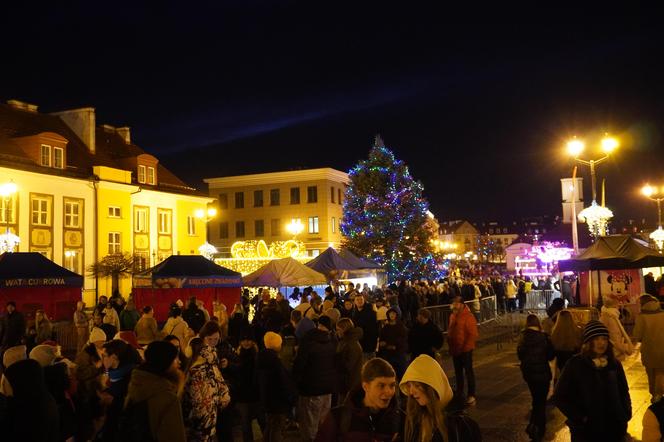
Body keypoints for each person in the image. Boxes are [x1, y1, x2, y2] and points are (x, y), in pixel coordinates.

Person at [553, 320, 632, 441]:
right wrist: (580, 417)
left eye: (604, 339)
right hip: (586, 431)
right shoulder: (575, 364)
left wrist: (625, 413)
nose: (601, 343)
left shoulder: (614, 364)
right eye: (597, 339)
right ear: (588, 342)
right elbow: (560, 396)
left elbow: (623, 391)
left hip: (614, 428)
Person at [315, 357, 403, 441]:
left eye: (392, 385)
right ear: (366, 386)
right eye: (381, 386)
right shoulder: (339, 417)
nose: (389, 392)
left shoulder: (401, 420)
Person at [400, 354, 481, 442]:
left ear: (433, 386)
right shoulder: (414, 419)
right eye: (409, 386)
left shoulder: (463, 426)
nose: (411, 392)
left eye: (417, 385)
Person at [123, 340, 186, 442]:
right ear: (165, 362)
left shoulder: (137, 384)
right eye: (175, 358)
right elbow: (173, 436)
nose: (179, 361)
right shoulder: (167, 397)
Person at [182, 321, 230, 441]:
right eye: (210, 339)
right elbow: (197, 396)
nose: (213, 343)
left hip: (211, 412)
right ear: (202, 338)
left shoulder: (212, 360)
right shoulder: (199, 365)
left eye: (216, 339)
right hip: (202, 418)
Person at [293, 315, 338, 441]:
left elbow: (299, 366)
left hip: (310, 390)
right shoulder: (331, 341)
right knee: (323, 424)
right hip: (327, 389)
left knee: (309, 425)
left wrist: (295, 384)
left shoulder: (308, 342)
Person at [0, 358, 60, 441]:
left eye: (9, 384)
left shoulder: (29, 413)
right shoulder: (41, 399)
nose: (5, 389)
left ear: (20, 384)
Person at [517, 314, 554, 441]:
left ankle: (534, 425)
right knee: (541, 402)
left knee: (536, 399)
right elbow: (550, 356)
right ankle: (538, 428)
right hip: (543, 374)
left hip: (529, 374)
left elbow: (520, 355)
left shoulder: (523, 338)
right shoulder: (544, 337)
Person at [257, 331, 297, 442]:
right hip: (278, 402)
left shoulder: (261, 358)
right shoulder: (276, 362)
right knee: (277, 429)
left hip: (267, 401)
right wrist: (291, 398)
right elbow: (284, 384)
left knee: (270, 427)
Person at [447, 296, 478, 405]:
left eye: (456, 303)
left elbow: (472, 334)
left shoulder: (468, 316)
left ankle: (471, 394)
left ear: (461, 304)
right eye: (453, 303)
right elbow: (451, 331)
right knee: (458, 373)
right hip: (456, 349)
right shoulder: (452, 316)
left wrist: (465, 348)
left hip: (465, 350)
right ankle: (460, 393)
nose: (454, 306)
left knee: (468, 372)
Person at [633, 294, 664, 400]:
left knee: (651, 374)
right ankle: (660, 393)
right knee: (661, 371)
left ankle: (655, 395)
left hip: (649, 350)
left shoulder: (642, 317)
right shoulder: (663, 314)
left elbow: (637, 335)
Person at [335, 318, 364, 402]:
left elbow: (348, 366)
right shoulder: (346, 341)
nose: (337, 332)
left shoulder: (351, 344)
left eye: (338, 330)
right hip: (346, 383)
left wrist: (336, 360)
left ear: (344, 329)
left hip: (349, 384)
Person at [599, 296, 634, 361]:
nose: (619, 306)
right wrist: (627, 349)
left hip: (608, 352)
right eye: (618, 304)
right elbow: (615, 339)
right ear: (615, 306)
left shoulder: (604, 315)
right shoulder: (611, 319)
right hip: (614, 354)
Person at [378, 307, 409, 380]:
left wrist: (394, 345)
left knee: (401, 375)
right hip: (388, 355)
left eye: (393, 313)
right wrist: (383, 345)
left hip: (399, 354)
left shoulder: (401, 327)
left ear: (397, 315)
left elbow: (403, 340)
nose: (392, 315)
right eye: (390, 313)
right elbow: (382, 339)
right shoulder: (385, 328)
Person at [550, 310, 582, 375]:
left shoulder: (555, 333)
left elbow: (552, 353)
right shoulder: (578, 331)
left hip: (561, 365)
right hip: (575, 364)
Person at [352, 294, 379, 361]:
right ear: (354, 302)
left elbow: (374, 329)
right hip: (360, 344)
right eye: (357, 300)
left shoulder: (371, 313)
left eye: (361, 299)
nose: (359, 301)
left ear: (364, 300)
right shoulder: (355, 313)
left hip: (369, 344)